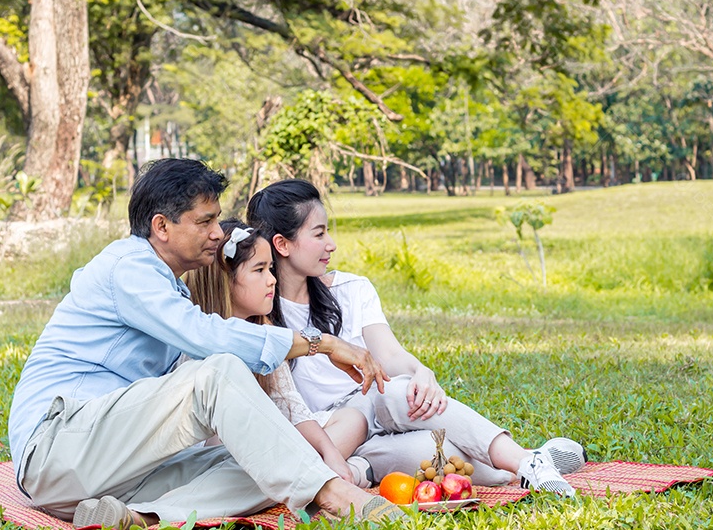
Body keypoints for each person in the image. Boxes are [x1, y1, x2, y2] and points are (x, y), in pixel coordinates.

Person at [7, 159, 404, 530]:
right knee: (217, 370)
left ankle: (141, 518)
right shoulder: (128, 269)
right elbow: (206, 338)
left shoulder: (169, 286)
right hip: (57, 450)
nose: (218, 233)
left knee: (267, 457)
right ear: (162, 227)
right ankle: (332, 494)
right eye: (205, 221)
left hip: (111, 474)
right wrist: (322, 344)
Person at [246, 179, 586, 496]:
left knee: (395, 391)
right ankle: (529, 459)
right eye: (319, 234)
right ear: (282, 244)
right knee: (454, 459)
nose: (331, 244)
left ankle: (529, 463)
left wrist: (421, 371)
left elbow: (389, 355)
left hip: (377, 401)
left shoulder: (352, 289)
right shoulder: (257, 309)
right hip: (336, 434)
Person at [182, 219, 373, 488]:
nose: (272, 280)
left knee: (353, 420)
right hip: (218, 452)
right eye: (259, 270)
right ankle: (323, 476)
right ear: (225, 279)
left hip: (272, 445)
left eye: (270, 268)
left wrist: (330, 452)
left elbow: (290, 405)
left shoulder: (265, 330)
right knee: (235, 452)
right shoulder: (200, 338)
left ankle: (319, 472)